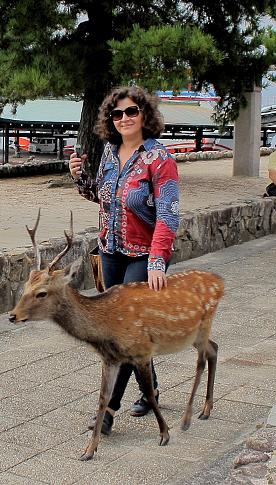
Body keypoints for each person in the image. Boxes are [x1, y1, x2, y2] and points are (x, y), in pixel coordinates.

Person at [68, 85, 180, 435]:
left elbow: (168, 214)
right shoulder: (109, 153)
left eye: (131, 111)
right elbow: (103, 199)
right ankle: (152, 392)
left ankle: (108, 410)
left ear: (145, 115)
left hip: (143, 257)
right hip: (110, 253)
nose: (124, 119)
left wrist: (157, 261)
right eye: (117, 114)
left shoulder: (159, 159)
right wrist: (79, 178)